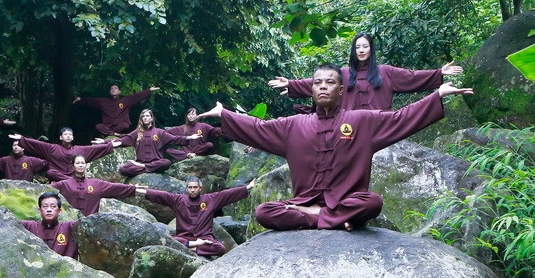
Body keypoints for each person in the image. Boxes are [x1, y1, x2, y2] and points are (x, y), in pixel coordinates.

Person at [198, 63, 473, 231]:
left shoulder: (361, 120)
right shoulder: (293, 125)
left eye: (330, 82)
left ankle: (318, 216)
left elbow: (401, 118)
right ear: (311, 90)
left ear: (341, 90)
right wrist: (225, 115)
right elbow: (258, 128)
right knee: (263, 212)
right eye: (317, 83)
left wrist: (436, 95)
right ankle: (329, 218)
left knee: (372, 202)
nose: (323, 87)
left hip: (346, 201)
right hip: (302, 203)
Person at [268, 32, 464, 112]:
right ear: (354, 50)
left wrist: (439, 73)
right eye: (358, 47)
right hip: (348, 128)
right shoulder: (344, 73)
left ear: (371, 49)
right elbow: (323, 82)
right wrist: (292, 85)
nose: (361, 50)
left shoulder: (385, 72)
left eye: (365, 46)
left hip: (379, 126)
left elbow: (412, 77)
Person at [139, 176, 253, 257]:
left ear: (200, 188)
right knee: (169, 238)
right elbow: (160, 195)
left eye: (195, 187)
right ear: (186, 188)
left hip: (204, 238)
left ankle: (189, 247)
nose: (192, 190)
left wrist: (248, 187)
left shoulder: (210, 199)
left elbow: (228, 194)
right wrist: (137, 190)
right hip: (184, 237)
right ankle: (193, 245)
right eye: (190, 187)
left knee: (220, 248)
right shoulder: (178, 200)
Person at [9, 128, 121, 181]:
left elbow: (94, 149)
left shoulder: (79, 149)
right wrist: (22, 139)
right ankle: (70, 181)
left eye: (70, 134)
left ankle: (72, 180)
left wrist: (110, 145)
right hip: (58, 177)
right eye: (65, 134)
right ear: (60, 137)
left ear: (72, 137)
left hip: (74, 175)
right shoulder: (52, 148)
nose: (68, 136)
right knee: (50, 172)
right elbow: (38, 144)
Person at [116, 109, 200, 177]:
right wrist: (106, 142)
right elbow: (123, 140)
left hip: (156, 162)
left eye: (147, 116)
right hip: (142, 163)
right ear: (141, 119)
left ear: (151, 118)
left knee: (166, 162)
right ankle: (147, 167)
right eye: (143, 116)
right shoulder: (137, 132)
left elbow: (174, 139)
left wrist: (189, 137)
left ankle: (144, 168)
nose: (145, 118)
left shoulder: (159, 132)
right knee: (124, 169)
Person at [51, 155, 140, 216]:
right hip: (70, 222)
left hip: (91, 223)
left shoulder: (95, 183)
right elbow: (45, 190)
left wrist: (134, 188)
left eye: (82, 163)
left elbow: (115, 187)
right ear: (73, 166)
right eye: (78, 163)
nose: (80, 165)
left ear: (86, 165)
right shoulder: (64, 184)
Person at [74, 84, 160, 136]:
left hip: (120, 125)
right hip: (108, 126)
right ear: (110, 92)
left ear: (119, 91)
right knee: (98, 126)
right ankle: (114, 134)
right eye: (112, 89)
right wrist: (80, 99)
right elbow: (92, 101)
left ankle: (114, 133)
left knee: (125, 126)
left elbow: (136, 96)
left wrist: (149, 90)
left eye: (115, 88)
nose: (113, 89)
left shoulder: (125, 100)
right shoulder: (103, 101)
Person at [20, 192, 77, 258]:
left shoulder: (69, 227)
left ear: (59, 211)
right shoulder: (30, 226)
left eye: (53, 206)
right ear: (39, 210)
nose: (49, 210)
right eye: (45, 206)